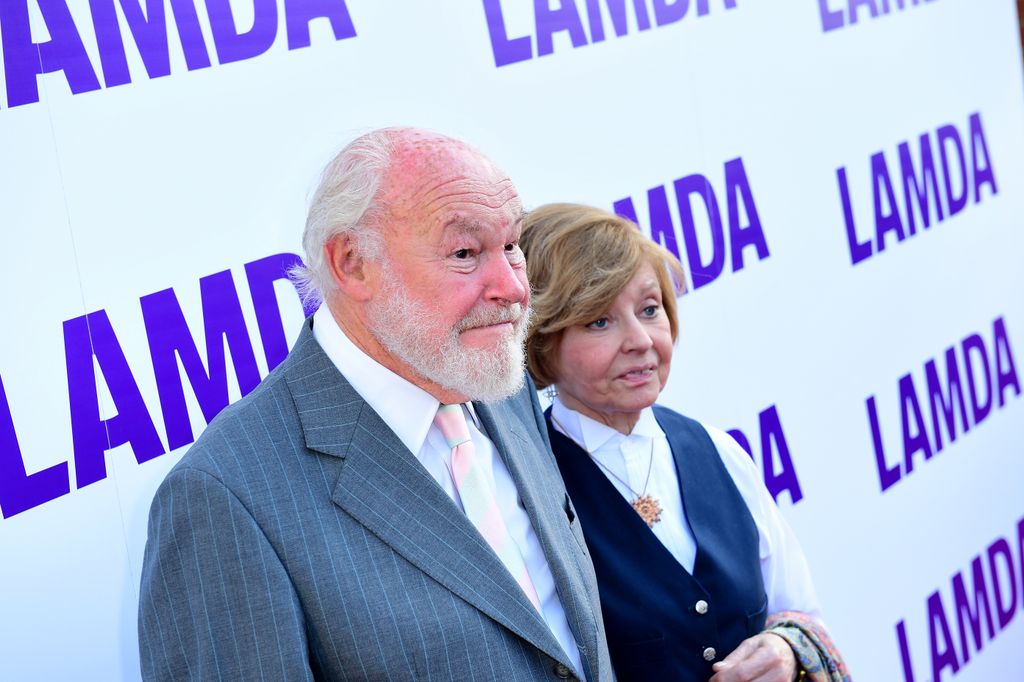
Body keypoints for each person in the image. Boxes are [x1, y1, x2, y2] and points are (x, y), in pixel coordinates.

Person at [138, 130, 614, 681]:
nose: (512, 287)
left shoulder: (497, 381)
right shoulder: (226, 497)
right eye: (464, 253)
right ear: (352, 263)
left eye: (512, 245)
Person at [520, 203, 851, 682]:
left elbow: (798, 612)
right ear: (544, 343)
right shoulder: (529, 495)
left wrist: (784, 649)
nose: (640, 340)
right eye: (599, 321)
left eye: (649, 309)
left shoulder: (717, 452)